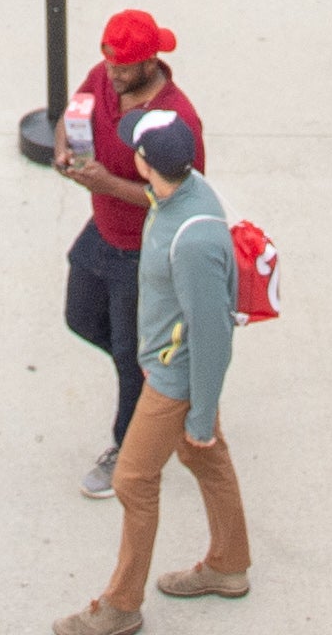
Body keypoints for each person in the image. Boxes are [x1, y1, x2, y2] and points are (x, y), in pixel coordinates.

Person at [68, 102, 250, 631]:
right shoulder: (179, 194)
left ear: (146, 162)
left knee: (133, 480)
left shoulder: (192, 239)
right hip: (170, 367)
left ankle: (122, 606)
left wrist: (199, 414)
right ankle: (229, 566)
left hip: (174, 379)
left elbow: (213, 337)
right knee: (206, 458)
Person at [51, 11, 199, 495]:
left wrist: (110, 184)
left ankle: (130, 447)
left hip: (145, 251)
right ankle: (168, 384)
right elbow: (75, 112)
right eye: (108, 65)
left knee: (129, 354)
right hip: (105, 231)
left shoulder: (175, 120)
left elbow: (180, 197)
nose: (111, 76)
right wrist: (62, 149)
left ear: (151, 61)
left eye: (123, 69)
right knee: (81, 317)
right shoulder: (105, 76)